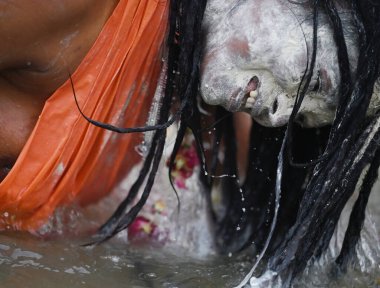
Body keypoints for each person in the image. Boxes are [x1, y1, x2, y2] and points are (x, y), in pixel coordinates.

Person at [0, 0, 379, 287]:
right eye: (315, 83)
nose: (279, 116)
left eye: (301, 118)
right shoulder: (73, 8)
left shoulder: (200, 108)